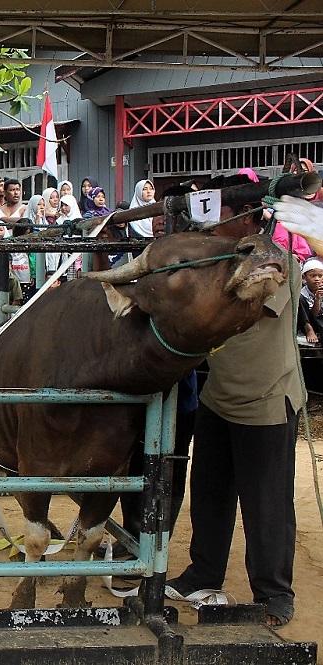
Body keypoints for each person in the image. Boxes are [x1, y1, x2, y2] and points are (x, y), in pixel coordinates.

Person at [167, 186, 304, 629]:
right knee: (209, 494)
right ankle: (204, 572)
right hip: (219, 397)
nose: (212, 224)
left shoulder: (275, 261)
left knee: (266, 505)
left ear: (248, 215)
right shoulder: (216, 256)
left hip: (265, 399)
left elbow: (238, 308)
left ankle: (273, 592)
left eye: (220, 214)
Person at [298, 258, 323, 344]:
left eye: (320, 276)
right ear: (304, 277)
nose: (317, 279)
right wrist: (317, 300)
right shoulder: (302, 293)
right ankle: (309, 330)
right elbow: (313, 315)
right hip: (309, 321)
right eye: (313, 276)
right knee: (299, 299)